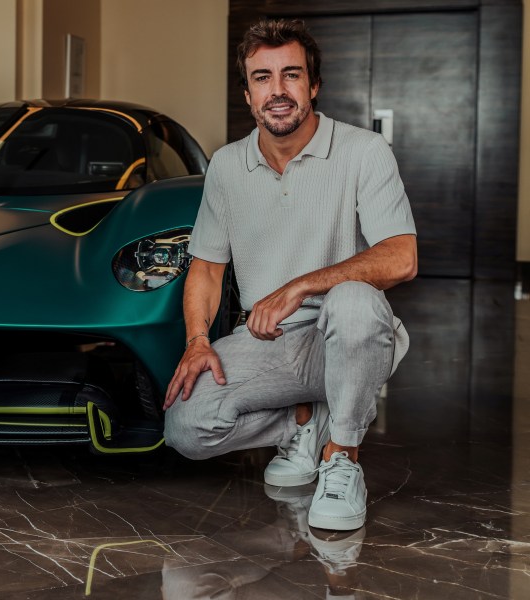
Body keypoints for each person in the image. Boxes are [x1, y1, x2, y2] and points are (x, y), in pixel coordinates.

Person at [162, 18, 417, 531]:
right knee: (185, 428)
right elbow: (207, 267)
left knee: (353, 300)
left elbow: (401, 257)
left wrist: (301, 284)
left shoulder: (365, 152)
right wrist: (196, 341)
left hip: (349, 334)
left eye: (291, 75)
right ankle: (303, 421)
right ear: (247, 94)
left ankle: (341, 456)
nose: (277, 91)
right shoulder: (227, 166)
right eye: (262, 78)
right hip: (270, 341)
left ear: (313, 85)